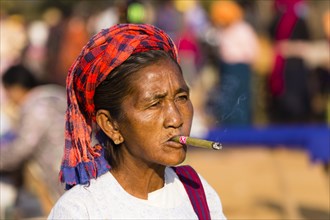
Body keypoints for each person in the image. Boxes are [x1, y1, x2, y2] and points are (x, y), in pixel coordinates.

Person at [48, 23, 226, 219]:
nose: (176, 118)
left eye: (181, 98)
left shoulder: (196, 192)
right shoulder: (82, 210)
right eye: (154, 104)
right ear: (111, 125)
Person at [0, 64, 66, 217]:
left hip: (62, 167)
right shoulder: (56, 93)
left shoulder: (36, 105)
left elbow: (22, 147)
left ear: (15, 88)